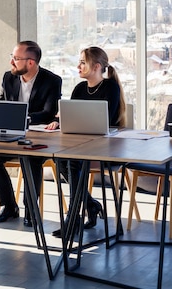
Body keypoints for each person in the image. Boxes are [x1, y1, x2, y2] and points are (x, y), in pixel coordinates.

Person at [46, 46, 126, 236]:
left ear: (97, 66)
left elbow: (104, 119)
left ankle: (73, 218)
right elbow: (74, 114)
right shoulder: (79, 88)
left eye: (83, 62)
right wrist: (58, 121)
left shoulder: (110, 87)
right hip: (81, 144)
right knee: (61, 160)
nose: (78, 66)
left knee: (72, 162)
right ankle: (90, 204)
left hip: (105, 147)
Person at [0, 40, 62, 226]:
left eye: (16, 58)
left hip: (39, 139)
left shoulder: (52, 81)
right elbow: (2, 102)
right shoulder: (8, 78)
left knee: (31, 159)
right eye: (12, 58)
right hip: (13, 137)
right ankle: (9, 206)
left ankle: (31, 208)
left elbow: (48, 113)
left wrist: (21, 117)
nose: (11, 62)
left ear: (30, 62)